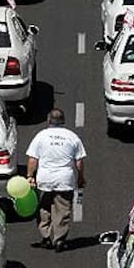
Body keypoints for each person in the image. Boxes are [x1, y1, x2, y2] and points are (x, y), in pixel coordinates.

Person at [26, 108, 86, 252]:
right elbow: (79, 162)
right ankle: (59, 239)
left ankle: (46, 236)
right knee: (63, 210)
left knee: (43, 208)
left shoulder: (41, 136)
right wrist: (81, 178)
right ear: (63, 121)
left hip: (45, 179)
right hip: (65, 179)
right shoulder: (72, 137)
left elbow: (33, 159)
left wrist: (29, 176)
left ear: (49, 120)